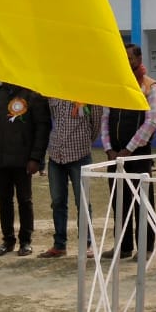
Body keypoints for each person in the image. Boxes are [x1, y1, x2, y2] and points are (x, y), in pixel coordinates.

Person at [101, 44, 156, 259]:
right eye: (123, 58)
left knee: (142, 202)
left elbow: (152, 121)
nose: (126, 62)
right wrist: (109, 149)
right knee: (119, 202)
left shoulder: (150, 86)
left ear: (139, 59)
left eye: (129, 58)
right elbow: (105, 118)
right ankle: (123, 247)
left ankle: (145, 248)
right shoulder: (114, 86)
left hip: (139, 154)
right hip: (114, 157)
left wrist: (128, 149)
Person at [0, 82, 50, 256]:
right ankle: (8, 240)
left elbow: (42, 128)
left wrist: (36, 158)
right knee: (4, 201)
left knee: (25, 200)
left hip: (23, 160)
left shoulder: (32, 95)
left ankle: (25, 240)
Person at [41, 95, 101, 258]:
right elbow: (53, 117)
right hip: (56, 155)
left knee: (83, 202)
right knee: (57, 202)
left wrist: (85, 141)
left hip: (80, 154)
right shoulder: (54, 92)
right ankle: (59, 245)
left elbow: (96, 123)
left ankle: (86, 244)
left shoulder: (89, 93)